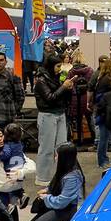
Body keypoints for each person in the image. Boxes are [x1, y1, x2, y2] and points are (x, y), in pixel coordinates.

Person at [24, 143, 87, 221]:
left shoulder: (72, 177)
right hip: (56, 204)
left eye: (57, 155)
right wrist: (48, 190)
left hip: (67, 209)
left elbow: (62, 201)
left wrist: (46, 197)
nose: (55, 158)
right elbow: (57, 184)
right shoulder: (64, 170)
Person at [33, 51, 73, 187]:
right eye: (57, 66)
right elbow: (50, 98)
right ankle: (42, 178)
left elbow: (61, 98)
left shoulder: (57, 78)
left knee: (62, 147)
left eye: (60, 66)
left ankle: (59, 175)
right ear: (50, 66)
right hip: (47, 115)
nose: (60, 69)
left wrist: (68, 89)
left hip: (60, 114)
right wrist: (64, 87)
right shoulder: (41, 81)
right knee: (46, 148)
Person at [65, 53, 93, 143]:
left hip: (75, 98)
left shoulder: (71, 72)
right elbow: (92, 85)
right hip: (86, 97)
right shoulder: (89, 71)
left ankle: (77, 139)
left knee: (76, 120)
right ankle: (92, 138)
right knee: (89, 119)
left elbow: (67, 85)